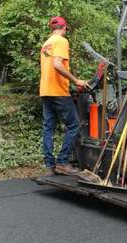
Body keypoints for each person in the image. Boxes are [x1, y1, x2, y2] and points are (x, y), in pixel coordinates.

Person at [39, 16, 88, 175]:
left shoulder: (46, 43)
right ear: (64, 28)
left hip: (45, 90)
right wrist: (76, 80)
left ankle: (49, 165)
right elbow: (57, 64)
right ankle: (62, 162)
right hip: (58, 91)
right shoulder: (61, 41)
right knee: (74, 125)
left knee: (48, 127)